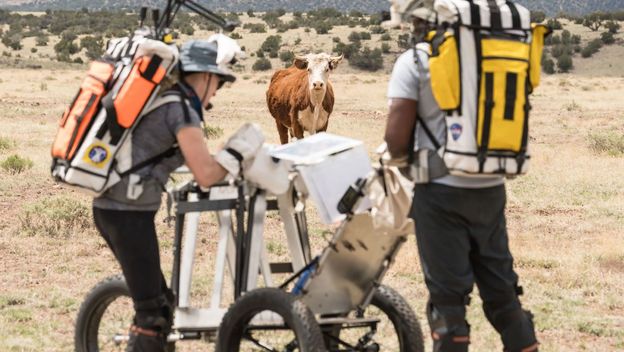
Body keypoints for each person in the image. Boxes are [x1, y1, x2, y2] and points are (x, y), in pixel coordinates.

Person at [383, 2, 539, 352]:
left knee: (448, 303)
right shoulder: (491, 55)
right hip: (491, 187)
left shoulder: (417, 61)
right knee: (503, 295)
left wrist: (404, 163)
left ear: (424, 21)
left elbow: (395, 138)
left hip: (440, 194)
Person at [91, 39, 263, 352]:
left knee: (162, 302)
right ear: (207, 76)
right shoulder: (181, 110)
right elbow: (207, 175)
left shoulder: (166, 100)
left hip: (116, 208)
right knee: (152, 314)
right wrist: (238, 152)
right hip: (126, 212)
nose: (215, 95)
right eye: (218, 85)